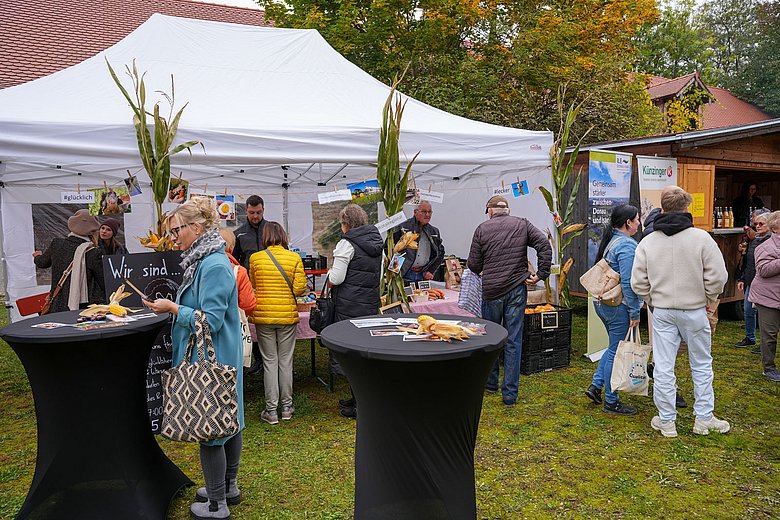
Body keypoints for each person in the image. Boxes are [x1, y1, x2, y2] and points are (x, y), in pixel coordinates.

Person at [143, 197, 244, 519]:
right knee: (228, 423)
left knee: (212, 430)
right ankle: (228, 487)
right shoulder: (205, 260)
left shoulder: (212, 265)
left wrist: (173, 308)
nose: (173, 236)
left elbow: (210, 321)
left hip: (211, 359)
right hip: (222, 356)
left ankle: (217, 504)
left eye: (176, 229)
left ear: (196, 228)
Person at [632, 186, 729, 438]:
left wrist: (652, 299)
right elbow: (718, 277)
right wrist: (708, 298)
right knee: (701, 363)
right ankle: (704, 418)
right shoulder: (702, 239)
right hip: (695, 309)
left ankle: (667, 420)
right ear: (687, 209)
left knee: (663, 365)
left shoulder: (648, 242)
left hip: (662, 310)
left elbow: (638, 282)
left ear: (662, 209)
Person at [467, 195, 552, 406]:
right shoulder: (522, 224)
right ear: (508, 210)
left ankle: (491, 382)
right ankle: (510, 394)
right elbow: (544, 245)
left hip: (492, 291)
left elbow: (473, 264)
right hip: (516, 289)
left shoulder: (482, 229)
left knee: (492, 338)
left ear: (490, 211)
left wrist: (483, 268)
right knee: (513, 339)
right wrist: (541, 274)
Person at [584, 205, 642, 416]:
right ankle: (611, 401)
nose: (638, 223)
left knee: (611, 349)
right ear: (628, 222)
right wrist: (635, 312)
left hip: (604, 304)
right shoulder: (627, 246)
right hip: (618, 307)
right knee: (616, 353)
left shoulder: (613, 241)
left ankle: (596, 386)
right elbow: (628, 282)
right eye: (636, 220)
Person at [248, 222, 306, 424]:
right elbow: (299, 289)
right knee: (285, 361)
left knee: (269, 362)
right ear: (283, 236)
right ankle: (287, 408)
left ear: (264, 237)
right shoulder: (294, 258)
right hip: (286, 316)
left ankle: (271, 411)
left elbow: (253, 285)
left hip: (264, 316)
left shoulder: (255, 258)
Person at [329, 204, 383, 419]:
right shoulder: (377, 243)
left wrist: (331, 270)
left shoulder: (346, 244)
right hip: (368, 303)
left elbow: (336, 278)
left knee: (351, 355)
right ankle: (359, 399)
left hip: (349, 305)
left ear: (346, 224)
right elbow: (378, 277)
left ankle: (361, 405)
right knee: (364, 353)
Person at [32, 208, 105, 313]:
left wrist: (37, 256)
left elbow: (42, 263)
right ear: (93, 230)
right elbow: (103, 282)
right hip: (83, 309)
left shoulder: (57, 244)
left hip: (56, 306)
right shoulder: (93, 252)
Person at [233, 195, 270, 375]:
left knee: (268, 319)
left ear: (263, 210)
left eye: (259, 212)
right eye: (252, 212)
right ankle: (257, 358)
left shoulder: (271, 230)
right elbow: (236, 259)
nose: (255, 216)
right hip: (249, 284)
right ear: (246, 211)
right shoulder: (239, 233)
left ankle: (269, 357)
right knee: (252, 321)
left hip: (270, 281)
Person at [748, 210, 780, 382]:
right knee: (769, 336)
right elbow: (763, 270)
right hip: (768, 298)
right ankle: (769, 368)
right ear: (776, 228)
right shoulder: (764, 247)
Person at [736, 209, 771, 349]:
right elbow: (750, 263)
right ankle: (750, 337)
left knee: (765, 315)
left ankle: (766, 344)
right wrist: (743, 279)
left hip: (765, 283)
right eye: (756, 223)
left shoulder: (772, 242)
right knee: (748, 310)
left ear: (769, 224)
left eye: (761, 223)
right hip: (751, 281)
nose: (757, 226)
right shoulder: (755, 240)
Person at [392, 201, 445, 284]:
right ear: (415, 212)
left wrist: (431, 270)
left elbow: (440, 252)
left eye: (429, 212)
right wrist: (395, 271)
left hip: (422, 275)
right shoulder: (403, 227)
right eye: (424, 211)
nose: (427, 215)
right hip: (405, 274)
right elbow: (391, 249)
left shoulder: (434, 231)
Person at [219, 229, 256, 316]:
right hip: (232, 325)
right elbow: (248, 305)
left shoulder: (199, 267)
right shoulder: (238, 272)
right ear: (232, 249)